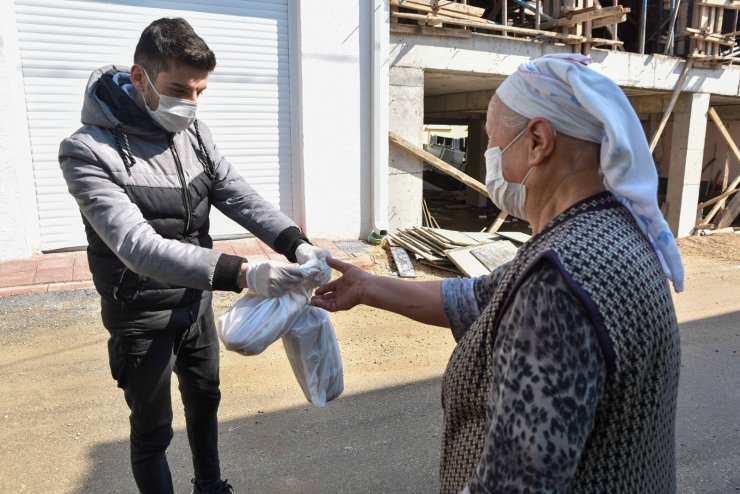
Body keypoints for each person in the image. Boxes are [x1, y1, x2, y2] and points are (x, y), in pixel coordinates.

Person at [312, 54, 683, 494]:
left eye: (492, 142)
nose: (490, 159)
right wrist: (367, 285)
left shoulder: (557, 283)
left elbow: (517, 484)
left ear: (538, 141)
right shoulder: (607, 231)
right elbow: (480, 297)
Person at [59, 18, 328, 494]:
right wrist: (242, 272)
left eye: (201, 91)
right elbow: (136, 246)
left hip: (195, 304)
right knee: (153, 429)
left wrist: (295, 242)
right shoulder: (87, 151)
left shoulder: (194, 135)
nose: (191, 103)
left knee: (205, 402)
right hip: (140, 315)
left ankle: (211, 485)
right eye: (179, 89)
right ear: (139, 77)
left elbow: (238, 195)